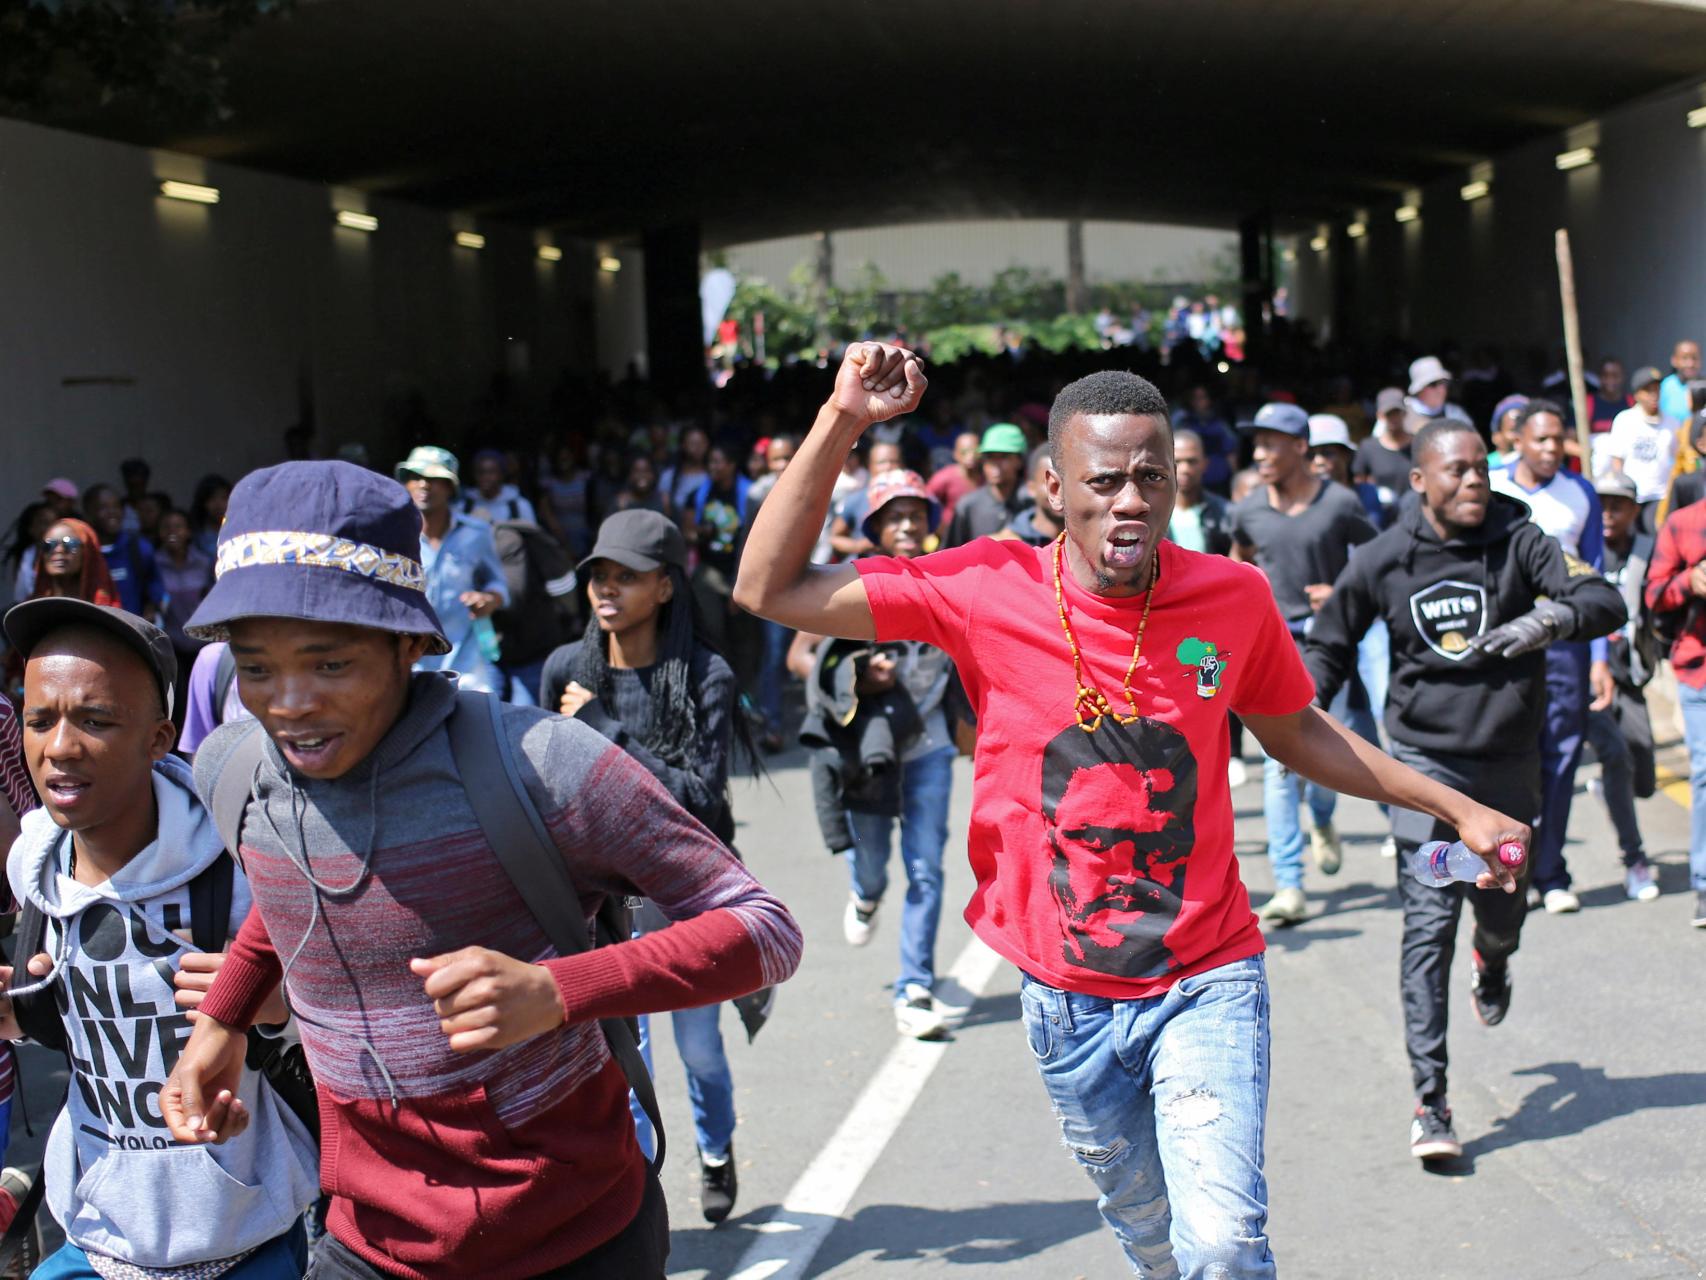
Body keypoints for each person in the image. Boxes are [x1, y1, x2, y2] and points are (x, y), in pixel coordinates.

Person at [733, 343, 1526, 1276]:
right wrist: (843, 420)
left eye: (1152, 477)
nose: (1131, 501)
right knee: (1156, 1242)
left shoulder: (1230, 598)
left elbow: (1298, 734)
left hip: (1207, 976)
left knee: (1224, 1247)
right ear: (1053, 485)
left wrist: (1455, 806)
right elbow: (766, 589)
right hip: (1066, 1001)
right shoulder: (985, 587)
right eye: (1104, 479)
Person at [160, 460, 803, 1278]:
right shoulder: (238, 774)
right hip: (366, 1247)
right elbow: (294, 887)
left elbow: (764, 930)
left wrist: (559, 993)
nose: (288, 702)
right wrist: (222, 1020)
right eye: (256, 668)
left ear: (408, 645)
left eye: (329, 665)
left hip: (576, 1239)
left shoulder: (542, 765)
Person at [1303, 419, 1623, 1159]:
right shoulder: (1384, 558)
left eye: (1481, 468)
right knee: (1425, 925)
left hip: (1507, 769)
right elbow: (1329, 641)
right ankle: (1431, 1101)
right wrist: (1308, 701)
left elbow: (1606, 600)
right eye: (1456, 470)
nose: (1475, 481)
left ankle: (1497, 956)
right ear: (1420, 481)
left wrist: (1551, 619)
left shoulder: (1524, 538)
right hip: (1423, 775)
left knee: (1501, 910)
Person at [1, 598, 319, 1278]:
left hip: (246, 1240)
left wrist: (277, 1006)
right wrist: (20, 1013)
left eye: (96, 720)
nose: (59, 747)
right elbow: (66, 1016)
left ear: (158, 738)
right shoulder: (35, 870)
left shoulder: (242, 869)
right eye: (39, 720)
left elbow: (357, 1005)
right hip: (96, 1238)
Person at [539, 509, 752, 1225]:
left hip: (684, 896)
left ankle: (717, 1151)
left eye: (626, 577)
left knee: (699, 1056)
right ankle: (638, 1201)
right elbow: (539, 788)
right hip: (597, 900)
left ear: (664, 587)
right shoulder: (566, 670)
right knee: (628, 1069)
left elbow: (697, 798)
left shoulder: (703, 674)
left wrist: (604, 728)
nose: (606, 588)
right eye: (599, 574)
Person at [790, 470, 961, 1038]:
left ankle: (915, 987)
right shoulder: (851, 582)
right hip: (867, 747)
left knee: (927, 869)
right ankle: (865, 896)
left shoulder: (950, 578)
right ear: (876, 528)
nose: (907, 526)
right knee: (872, 865)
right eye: (895, 517)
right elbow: (800, 654)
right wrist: (855, 678)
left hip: (931, 747)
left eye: (916, 515)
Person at [1231, 402, 1378, 924]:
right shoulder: (1248, 508)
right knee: (1279, 763)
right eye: (1258, 443)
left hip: (1327, 645)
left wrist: (1340, 590)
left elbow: (1377, 562)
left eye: (1273, 443)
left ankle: (1322, 818)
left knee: (1318, 760)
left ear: (1300, 448)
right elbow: (1237, 563)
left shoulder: (1339, 503)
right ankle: (1289, 884)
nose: (1262, 453)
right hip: (1271, 647)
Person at [1490, 401, 1609, 914]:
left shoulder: (1580, 492)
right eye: (1540, 440)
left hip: (1566, 648)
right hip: (1502, 645)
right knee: (1508, 757)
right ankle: (1502, 863)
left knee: (1561, 759)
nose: (1550, 449)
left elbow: (1597, 578)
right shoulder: (1491, 487)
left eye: (1557, 439)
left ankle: (1550, 870)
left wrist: (1600, 656)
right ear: (1516, 440)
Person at [1585, 473, 1660, 900]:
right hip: (1586, 680)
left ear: (1635, 510)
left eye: (1619, 505)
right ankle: (1635, 860)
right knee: (1615, 757)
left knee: (1643, 773)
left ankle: (1612, 793)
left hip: (1629, 677)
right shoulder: (1581, 549)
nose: (1610, 513)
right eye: (1603, 504)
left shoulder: (1646, 551)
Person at [395, 445, 510, 696]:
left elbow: (499, 584)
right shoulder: (394, 537)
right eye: (415, 477)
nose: (423, 484)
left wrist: (489, 599)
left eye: (434, 478)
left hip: (466, 664)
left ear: (450, 487)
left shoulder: (475, 533)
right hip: (411, 664)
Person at [1643, 485, 1706, 929]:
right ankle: (1705, 881)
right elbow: (1653, 595)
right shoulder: (1684, 522)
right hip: (1699, 667)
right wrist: (1690, 581)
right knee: (1705, 769)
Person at [1605, 366, 1678, 529]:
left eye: (1657, 390)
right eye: (1648, 390)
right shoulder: (1624, 420)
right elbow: (1617, 460)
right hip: (1632, 496)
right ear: (1637, 394)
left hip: (1660, 496)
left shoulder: (1672, 423)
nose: (1654, 395)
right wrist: (1621, 492)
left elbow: (1677, 459)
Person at [82, 484, 167, 623]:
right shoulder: (83, 552)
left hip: (134, 633)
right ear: (88, 514)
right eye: (103, 508)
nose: (112, 512)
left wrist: (151, 611)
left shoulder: (139, 547)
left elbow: (156, 591)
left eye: (116, 506)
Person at [154, 507, 215, 694]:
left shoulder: (204, 562)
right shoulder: (154, 563)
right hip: (171, 645)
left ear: (188, 531)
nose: (173, 532)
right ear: (159, 532)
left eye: (178, 527)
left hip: (202, 642)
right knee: (178, 701)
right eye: (167, 527)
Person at [944, 423, 1027, 546]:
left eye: (1004, 457)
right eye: (990, 457)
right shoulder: (968, 506)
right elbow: (950, 553)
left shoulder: (1032, 503)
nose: (995, 464)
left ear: (1019, 461)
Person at [1310, 414, 1386, 528]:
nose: (1319, 461)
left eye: (1328, 453)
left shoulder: (1369, 495)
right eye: (1310, 455)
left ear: (1346, 455)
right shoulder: (1296, 505)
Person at [1166, 428, 1234, 556]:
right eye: (1177, 461)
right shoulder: (1152, 512)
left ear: (1205, 464)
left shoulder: (1225, 511)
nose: (1185, 469)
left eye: (1192, 461)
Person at [1355, 388, 1416, 521]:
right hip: (1382, 516)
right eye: (1389, 414)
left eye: (1397, 412)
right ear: (1380, 416)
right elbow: (1359, 482)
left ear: (1404, 413)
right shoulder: (1368, 447)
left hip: (1415, 514)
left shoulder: (1418, 444)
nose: (1393, 418)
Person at [1169, 385, 1238, 494]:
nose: (1198, 401)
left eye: (1202, 397)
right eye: (1195, 398)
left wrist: (1235, 478)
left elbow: (1230, 451)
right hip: (1188, 480)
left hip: (1217, 479)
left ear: (1209, 400)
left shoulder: (1219, 422)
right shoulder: (1181, 420)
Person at [1003, 445, 1065, 546]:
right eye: (1052, 484)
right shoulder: (1008, 544)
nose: (1061, 492)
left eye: (1067, 482)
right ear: (1031, 488)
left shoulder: (1090, 543)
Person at [459, 448, 538, 525]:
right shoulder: (463, 507)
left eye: (491, 472)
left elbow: (532, 536)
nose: (485, 477)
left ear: (502, 475)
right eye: (480, 472)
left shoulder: (520, 506)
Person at [927, 430, 984, 532]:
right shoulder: (944, 477)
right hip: (950, 534)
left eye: (975, 451)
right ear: (955, 454)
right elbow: (927, 501)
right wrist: (938, 529)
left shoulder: (986, 477)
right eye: (964, 452)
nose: (970, 456)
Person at [1404, 356, 1473, 426]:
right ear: (1419, 390)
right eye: (1433, 384)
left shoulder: (1456, 413)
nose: (1441, 389)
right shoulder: (1403, 415)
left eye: (1443, 382)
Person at [189, 474, 233, 559]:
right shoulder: (194, 535)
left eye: (224, 498)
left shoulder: (239, 531)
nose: (218, 505)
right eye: (212, 499)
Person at [1660, 339, 1701, 427]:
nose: (1690, 364)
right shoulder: (1664, 387)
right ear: (1674, 360)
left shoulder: (1703, 385)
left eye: (1694, 358)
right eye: (1685, 358)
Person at [1590, 358, 1631, 436]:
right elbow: (1570, 437)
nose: (1610, 380)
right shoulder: (1589, 403)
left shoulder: (1631, 403)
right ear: (1599, 377)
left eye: (1615, 376)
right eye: (1606, 375)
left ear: (1623, 377)